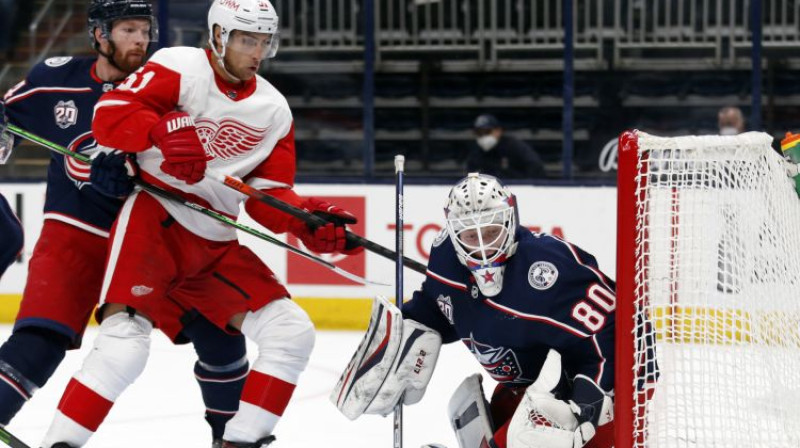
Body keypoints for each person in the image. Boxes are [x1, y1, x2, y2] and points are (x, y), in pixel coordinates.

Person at [40, 0, 362, 446]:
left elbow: (267, 196)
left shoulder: (274, 109)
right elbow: (109, 117)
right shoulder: (179, 67)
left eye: (264, 42)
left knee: (291, 332)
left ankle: (241, 440)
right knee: (125, 344)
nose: (256, 51)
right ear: (217, 36)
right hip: (154, 219)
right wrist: (160, 131)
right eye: (247, 39)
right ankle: (59, 442)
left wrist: (305, 219)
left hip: (215, 241)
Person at [0, 1, 250, 446]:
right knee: (39, 340)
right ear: (100, 35)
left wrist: (138, 176)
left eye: (144, 30)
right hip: (74, 232)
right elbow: (8, 120)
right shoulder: (55, 80)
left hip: (149, 239)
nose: (140, 40)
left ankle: (230, 439)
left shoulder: (169, 89)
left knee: (222, 337)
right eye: (128, 30)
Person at [333, 173, 615, 448]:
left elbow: (616, 327)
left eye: (492, 231)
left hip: (596, 393)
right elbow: (441, 306)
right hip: (528, 387)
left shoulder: (546, 269)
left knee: (525, 440)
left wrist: (588, 402)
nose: (483, 245)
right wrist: (403, 334)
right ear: (453, 232)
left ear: (510, 219)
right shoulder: (445, 258)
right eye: (470, 234)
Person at [466, 114, 545, 179]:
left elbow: (535, 166)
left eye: (487, 132)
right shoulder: (475, 152)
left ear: (498, 131)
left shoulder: (514, 146)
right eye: (479, 133)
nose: (483, 136)